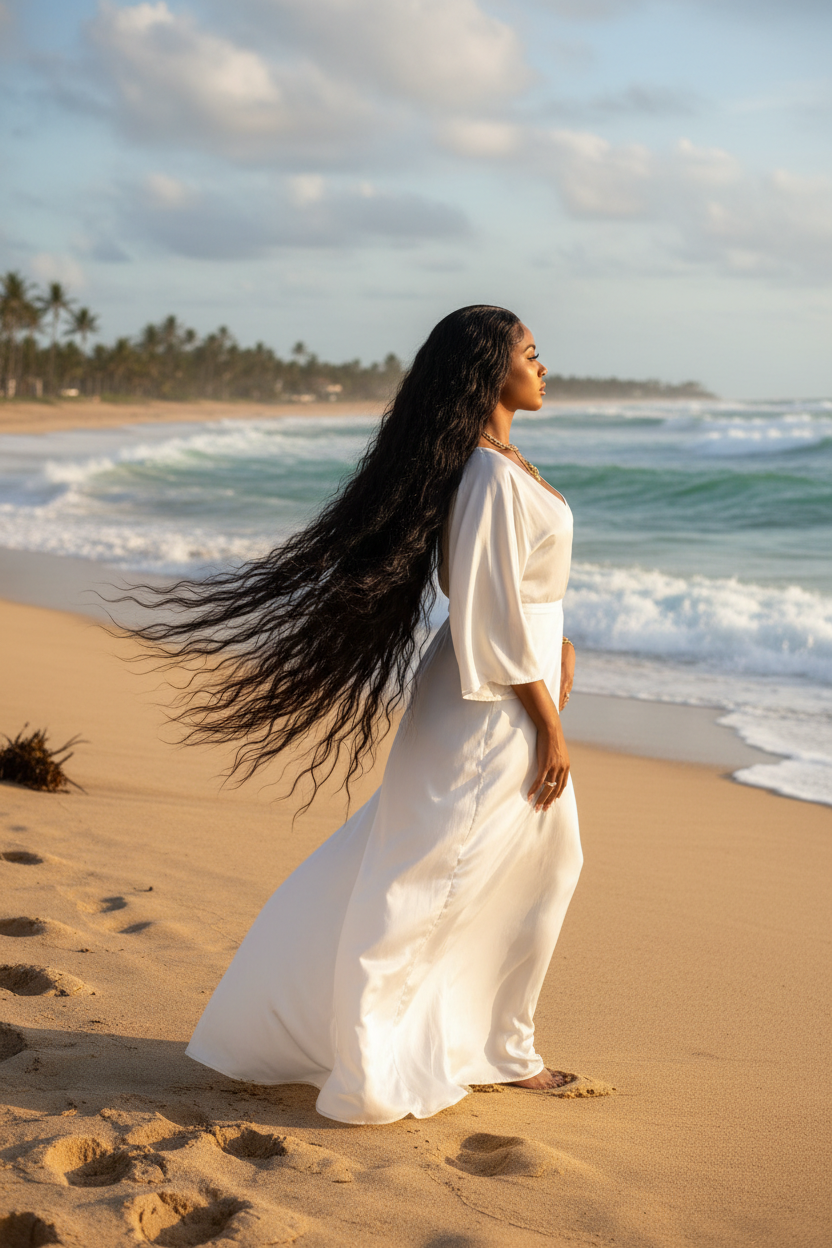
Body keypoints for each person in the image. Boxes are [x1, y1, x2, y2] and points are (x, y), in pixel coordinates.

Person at [130, 305, 582, 1124]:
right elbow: (485, 607)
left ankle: (496, 1045)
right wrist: (545, 714)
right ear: (489, 370)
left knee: (539, 863)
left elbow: (521, 591)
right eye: (531, 354)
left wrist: (564, 649)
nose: (544, 369)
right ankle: (384, 1056)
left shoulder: (503, 463)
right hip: (488, 708)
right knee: (427, 873)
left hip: (513, 689)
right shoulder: (483, 473)